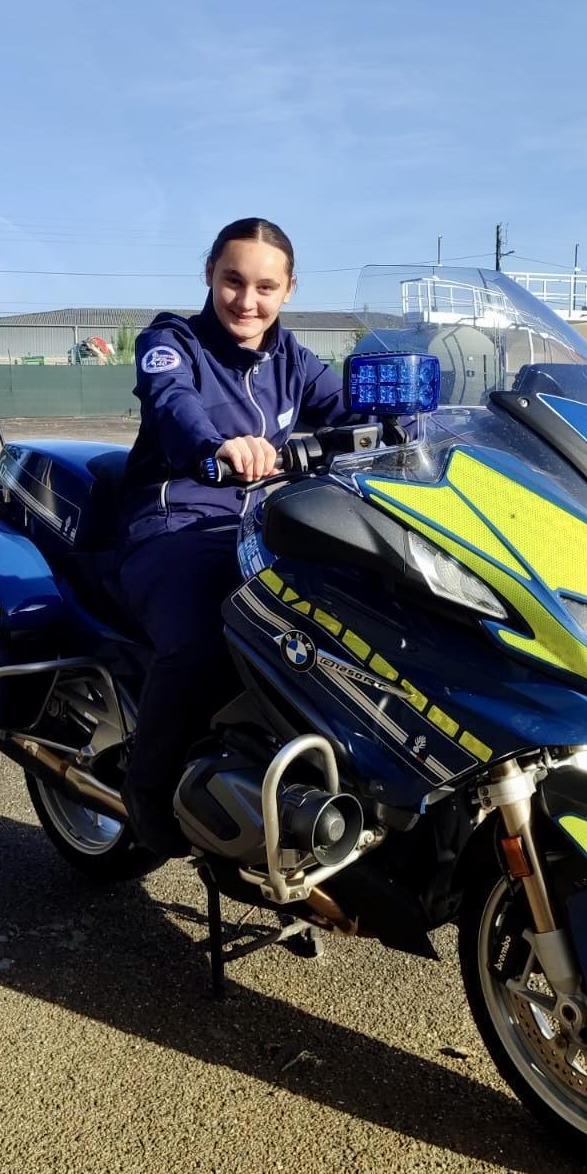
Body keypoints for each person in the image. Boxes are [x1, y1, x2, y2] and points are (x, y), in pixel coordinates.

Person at [115, 217, 347, 855]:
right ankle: (149, 790)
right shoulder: (173, 341)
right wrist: (216, 446)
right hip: (177, 519)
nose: (248, 301)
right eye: (233, 281)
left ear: (289, 289)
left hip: (266, 520)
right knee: (199, 641)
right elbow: (171, 404)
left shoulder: (292, 359)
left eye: (265, 287)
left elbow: (355, 409)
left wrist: (422, 426)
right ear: (210, 276)